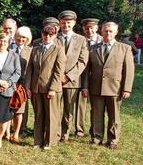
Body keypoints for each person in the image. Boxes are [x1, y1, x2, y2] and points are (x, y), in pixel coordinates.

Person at [85, 22, 135, 149]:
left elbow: (129, 71)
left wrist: (127, 89)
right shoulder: (93, 48)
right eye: (105, 31)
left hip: (115, 88)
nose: (108, 33)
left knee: (114, 116)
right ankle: (97, 137)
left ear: (116, 32)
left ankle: (113, 140)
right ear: (101, 32)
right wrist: (85, 86)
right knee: (96, 114)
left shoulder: (125, 48)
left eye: (110, 31)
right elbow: (86, 70)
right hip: (96, 87)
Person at [25, 25, 66, 149]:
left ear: (55, 35)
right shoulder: (35, 49)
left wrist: (53, 89)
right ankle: (38, 141)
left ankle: (49, 142)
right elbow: (30, 69)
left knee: (51, 116)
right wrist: (28, 87)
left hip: (51, 89)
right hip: (36, 88)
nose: (47, 36)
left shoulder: (59, 49)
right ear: (42, 34)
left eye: (51, 34)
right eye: (45, 34)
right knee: (39, 115)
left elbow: (59, 72)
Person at [57, 10, 88, 141]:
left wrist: (68, 76)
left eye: (68, 23)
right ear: (59, 23)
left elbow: (82, 61)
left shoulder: (81, 39)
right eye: (63, 23)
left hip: (72, 81)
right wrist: (58, 76)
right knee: (55, 108)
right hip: (55, 80)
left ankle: (65, 133)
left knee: (68, 109)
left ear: (74, 23)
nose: (66, 25)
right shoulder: (55, 37)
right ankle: (55, 131)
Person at [77, 18, 103, 138]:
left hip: (98, 79)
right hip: (81, 76)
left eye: (92, 28)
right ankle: (79, 129)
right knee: (80, 105)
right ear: (83, 29)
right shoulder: (80, 41)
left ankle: (94, 130)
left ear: (97, 28)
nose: (89, 30)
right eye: (86, 28)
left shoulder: (103, 41)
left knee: (96, 107)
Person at [10, 26, 33, 143]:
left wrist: (28, 86)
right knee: (8, 108)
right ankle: (6, 132)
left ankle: (16, 133)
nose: (21, 39)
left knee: (19, 109)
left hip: (23, 84)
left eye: (24, 37)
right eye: (19, 36)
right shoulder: (9, 48)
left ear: (27, 38)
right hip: (10, 83)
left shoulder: (31, 50)